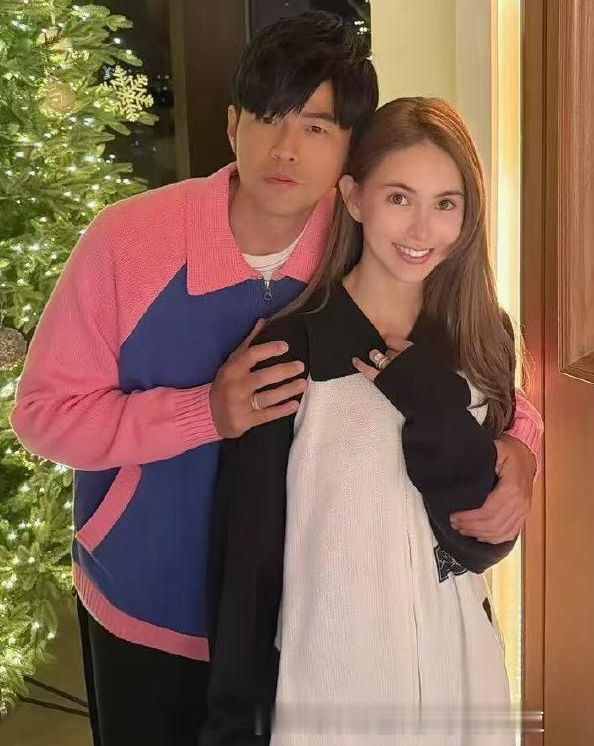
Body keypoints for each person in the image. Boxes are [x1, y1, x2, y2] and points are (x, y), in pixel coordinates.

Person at [10, 13, 542, 746]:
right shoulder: (128, 243)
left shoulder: (369, 244)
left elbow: (473, 354)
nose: (286, 149)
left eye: (317, 127)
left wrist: (521, 449)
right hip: (149, 604)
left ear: (352, 152)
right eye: (267, 118)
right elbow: (44, 416)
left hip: (297, 630)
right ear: (233, 125)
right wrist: (204, 413)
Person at [203, 97, 528, 746]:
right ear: (353, 198)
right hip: (329, 695)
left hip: (459, 682)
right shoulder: (291, 350)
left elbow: (478, 543)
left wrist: (455, 419)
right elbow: (248, 564)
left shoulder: (482, 338)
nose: (421, 228)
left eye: (445, 203)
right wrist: (234, 724)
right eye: (399, 198)